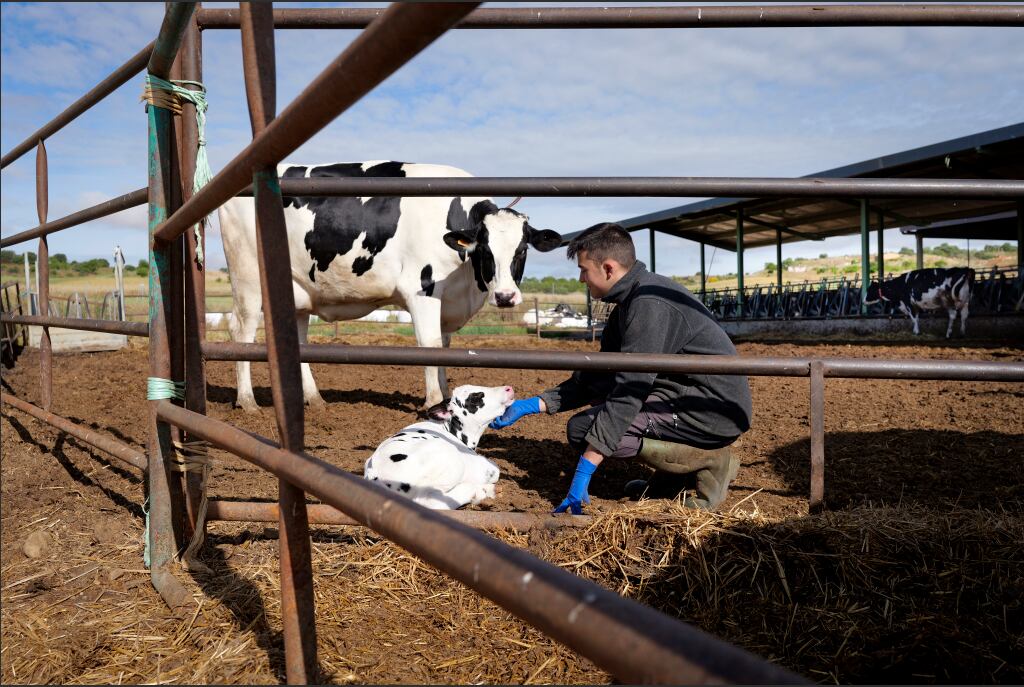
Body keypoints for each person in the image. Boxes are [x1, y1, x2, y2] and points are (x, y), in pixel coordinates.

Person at [490, 222, 752, 514]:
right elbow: (600, 377)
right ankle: (673, 477)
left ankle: (712, 460)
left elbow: (629, 392)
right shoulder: (630, 303)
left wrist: (582, 474)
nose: (580, 279)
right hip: (686, 396)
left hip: (712, 410)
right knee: (586, 426)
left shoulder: (648, 304)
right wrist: (533, 405)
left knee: (587, 429)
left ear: (609, 269)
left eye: (584, 270)